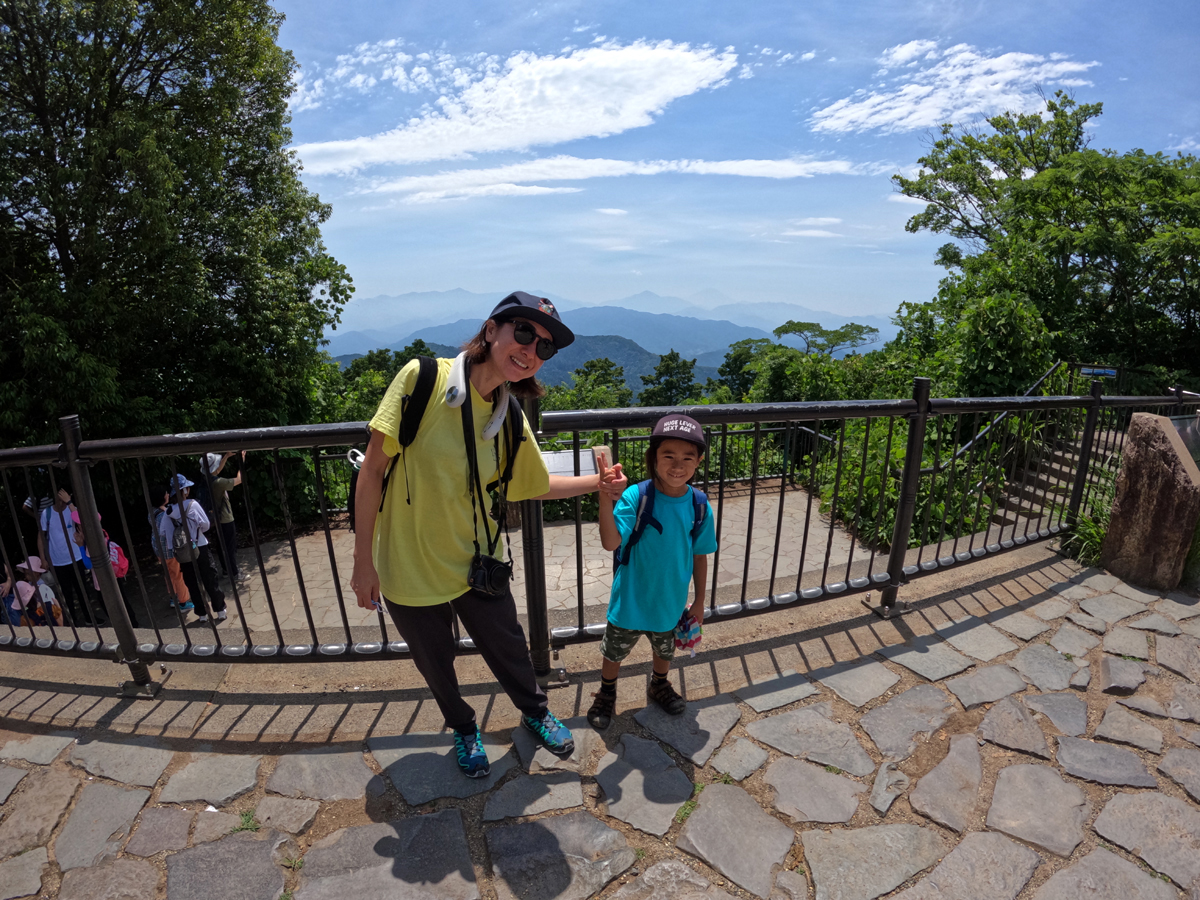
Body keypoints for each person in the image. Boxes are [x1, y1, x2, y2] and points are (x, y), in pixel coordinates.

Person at [351, 291, 627, 779]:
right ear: (491, 329)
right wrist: (362, 562)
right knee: (435, 662)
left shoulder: (509, 419)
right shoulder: (423, 381)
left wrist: (597, 483)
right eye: (523, 332)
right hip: (407, 563)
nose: (530, 350)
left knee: (510, 647)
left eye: (544, 347)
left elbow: (537, 485)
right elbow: (372, 470)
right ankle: (462, 726)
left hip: (478, 562)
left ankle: (536, 711)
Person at [588, 414, 717, 730]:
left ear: (699, 462)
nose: (678, 465)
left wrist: (699, 601)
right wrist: (606, 498)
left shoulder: (699, 505)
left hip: (671, 601)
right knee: (614, 651)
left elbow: (700, 556)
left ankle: (659, 684)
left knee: (665, 649)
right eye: (668, 456)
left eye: (688, 457)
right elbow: (610, 541)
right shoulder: (637, 496)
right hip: (631, 598)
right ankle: (606, 693)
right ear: (653, 459)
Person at [160, 474, 227, 623]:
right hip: (199, 546)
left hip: (182, 551)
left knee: (192, 582)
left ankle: (202, 614)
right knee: (210, 578)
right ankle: (220, 610)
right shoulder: (193, 504)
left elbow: (163, 533)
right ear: (186, 490)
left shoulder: (169, 511)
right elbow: (205, 524)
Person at [38, 488, 104, 626]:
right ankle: (71, 621)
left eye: (64, 497)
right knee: (65, 592)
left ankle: (89, 617)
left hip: (76, 556)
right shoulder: (47, 513)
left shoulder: (72, 510)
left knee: (82, 590)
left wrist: (70, 504)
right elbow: (41, 536)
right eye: (59, 498)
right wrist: (43, 558)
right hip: (57, 560)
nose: (62, 501)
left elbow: (84, 525)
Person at [200, 451, 249, 584]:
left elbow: (216, 470)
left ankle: (226, 571)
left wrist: (226, 456)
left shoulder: (206, 478)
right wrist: (242, 461)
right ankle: (235, 573)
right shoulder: (218, 483)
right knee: (230, 547)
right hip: (225, 518)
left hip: (214, 519)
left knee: (221, 545)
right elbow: (239, 480)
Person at [149, 484, 193, 615]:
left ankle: (173, 598)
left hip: (158, 549)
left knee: (169, 574)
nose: (168, 494)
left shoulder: (153, 512)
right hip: (169, 550)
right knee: (178, 574)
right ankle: (183, 602)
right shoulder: (166, 515)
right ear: (163, 497)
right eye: (166, 493)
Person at [13, 556, 64, 627]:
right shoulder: (28, 585)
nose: (26, 576)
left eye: (28, 573)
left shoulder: (43, 588)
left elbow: (51, 607)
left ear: (37, 573)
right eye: (26, 574)